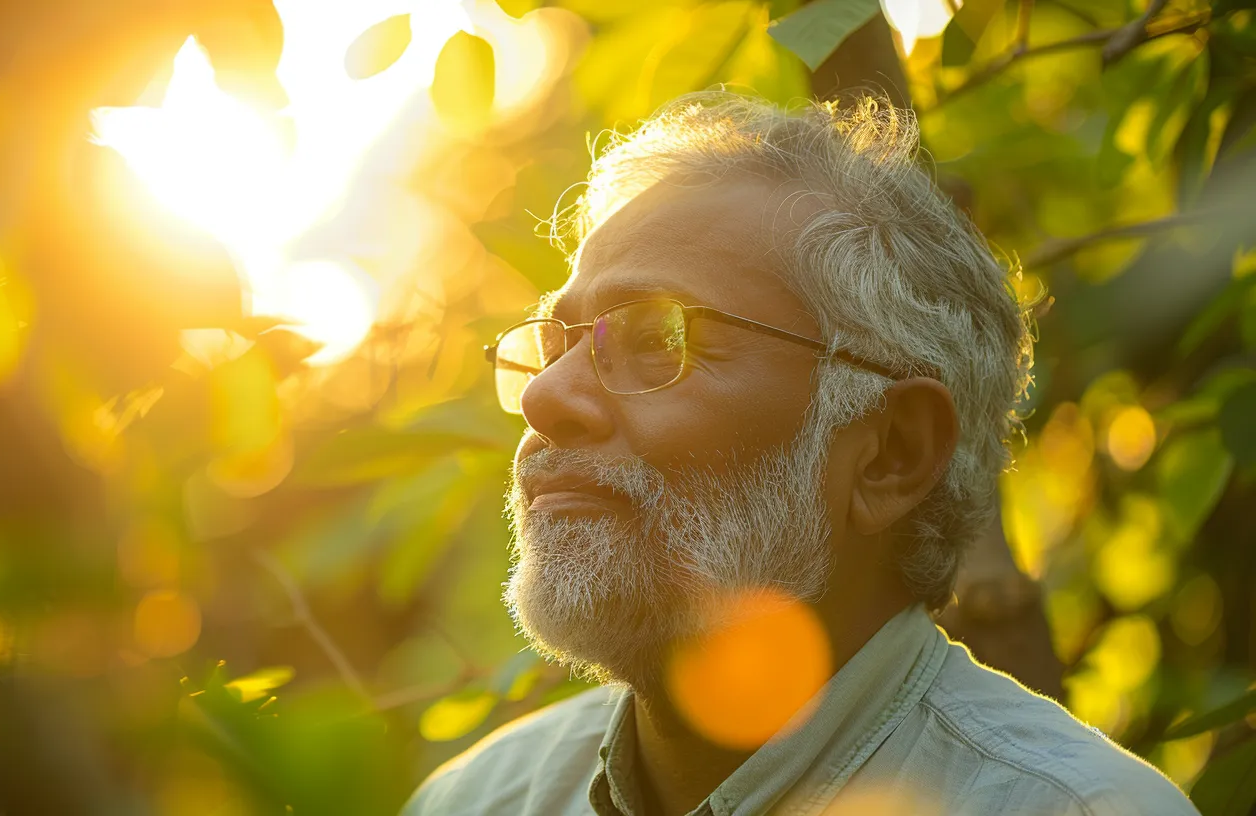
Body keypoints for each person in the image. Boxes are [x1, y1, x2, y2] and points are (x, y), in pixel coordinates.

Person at [403, 92, 1197, 816]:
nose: (545, 398)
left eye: (654, 339)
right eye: (553, 345)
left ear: (891, 452)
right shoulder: (475, 800)